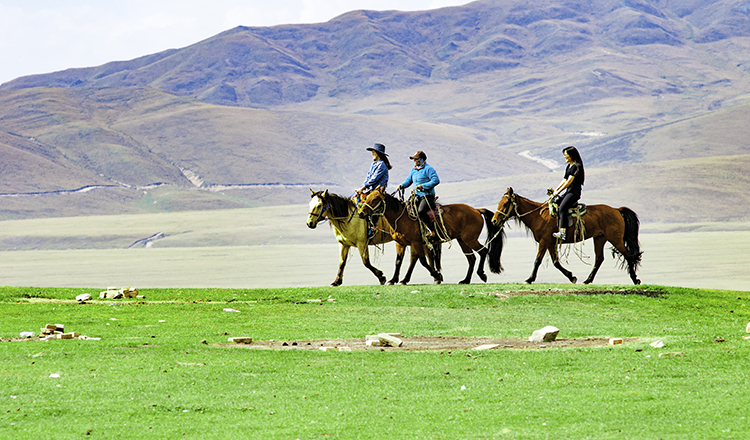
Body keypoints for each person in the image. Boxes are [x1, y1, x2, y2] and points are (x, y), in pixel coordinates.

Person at [398, 150, 440, 238]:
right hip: (416, 196)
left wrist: (423, 186)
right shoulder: (413, 170)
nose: (416, 162)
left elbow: (436, 180)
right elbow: (408, 181)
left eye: (418, 160)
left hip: (427, 196)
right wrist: (402, 185)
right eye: (415, 160)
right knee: (407, 210)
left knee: (421, 210)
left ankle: (431, 230)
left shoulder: (428, 169)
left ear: (423, 160)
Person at [357, 143, 392, 238]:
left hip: (378, 191)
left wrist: (363, 188)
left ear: (378, 153)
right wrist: (361, 188)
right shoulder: (374, 164)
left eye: (374, 152)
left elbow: (374, 179)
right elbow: (368, 177)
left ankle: (372, 228)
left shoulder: (382, 165)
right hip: (371, 190)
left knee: (369, 206)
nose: (372, 153)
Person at [551, 146, 585, 240]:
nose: (564, 157)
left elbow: (569, 182)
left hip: (574, 193)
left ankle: (563, 232)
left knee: (562, 208)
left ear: (571, 155)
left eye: (566, 155)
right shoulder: (569, 166)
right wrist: (556, 190)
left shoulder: (576, 167)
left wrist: (558, 191)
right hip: (568, 192)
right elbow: (564, 180)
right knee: (555, 203)